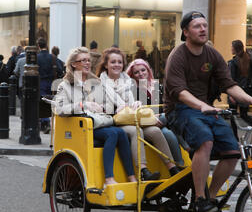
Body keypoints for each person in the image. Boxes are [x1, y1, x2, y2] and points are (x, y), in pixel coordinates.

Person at [164, 11, 252, 212]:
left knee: (232, 151)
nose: (203, 29)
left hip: (205, 109)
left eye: (205, 25)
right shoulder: (177, 56)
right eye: (197, 26)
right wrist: (202, 105)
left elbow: (229, 85)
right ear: (186, 32)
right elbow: (179, 92)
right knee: (204, 141)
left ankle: (211, 200)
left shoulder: (212, 55)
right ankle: (198, 199)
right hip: (180, 109)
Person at [55, 47, 136, 186]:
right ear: (74, 64)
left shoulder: (96, 83)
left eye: (89, 60)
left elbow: (107, 104)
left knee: (121, 133)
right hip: (80, 127)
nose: (88, 63)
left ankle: (131, 177)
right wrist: (82, 105)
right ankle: (108, 179)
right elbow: (59, 109)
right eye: (83, 60)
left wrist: (117, 107)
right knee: (112, 134)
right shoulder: (65, 85)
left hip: (99, 122)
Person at [96, 47, 160, 181]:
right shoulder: (98, 83)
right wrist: (114, 109)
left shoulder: (128, 82)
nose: (116, 65)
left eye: (119, 62)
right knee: (135, 131)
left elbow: (132, 103)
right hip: (113, 122)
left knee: (155, 131)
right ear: (106, 65)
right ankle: (143, 170)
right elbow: (97, 108)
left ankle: (172, 168)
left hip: (129, 118)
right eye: (113, 62)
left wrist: (136, 104)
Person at [126, 58, 184, 168]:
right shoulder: (132, 90)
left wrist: (160, 117)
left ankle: (182, 161)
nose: (140, 74)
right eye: (136, 72)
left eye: (143, 70)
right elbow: (137, 113)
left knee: (172, 118)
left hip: (163, 120)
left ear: (148, 70)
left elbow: (168, 105)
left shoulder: (158, 86)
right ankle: (180, 164)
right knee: (168, 133)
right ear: (132, 75)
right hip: (147, 124)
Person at [228, 40, 252, 130]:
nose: (230, 48)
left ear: (235, 49)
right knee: (243, 114)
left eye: (231, 47)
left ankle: (235, 139)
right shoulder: (249, 60)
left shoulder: (233, 62)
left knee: (233, 116)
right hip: (246, 91)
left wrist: (231, 95)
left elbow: (231, 80)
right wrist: (248, 76)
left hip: (236, 91)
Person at [37, 37, 55, 133]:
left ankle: (46, 121)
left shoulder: (37, 57)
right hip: (50, 82)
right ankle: (46, 121)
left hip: (41, 81)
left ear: (38, 46)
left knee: (43, 101)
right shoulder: (52, 57)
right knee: (49, 101)